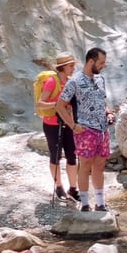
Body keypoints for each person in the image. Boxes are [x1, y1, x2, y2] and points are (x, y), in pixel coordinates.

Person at [55, 47, 116, 212]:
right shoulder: (74, 81)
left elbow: (102, 101)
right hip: (85, 130)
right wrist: (73, 126)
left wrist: (108, 113)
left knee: (99, 165)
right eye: (101, 62)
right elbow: (59, 106)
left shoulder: (100, 79)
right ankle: (85, 203)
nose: (103, 65)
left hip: (103, 130)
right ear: (91, 61)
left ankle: (100, 203)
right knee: (85, 165)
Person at [37, 53, 80, 202]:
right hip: (52, 125)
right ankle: (59, 186)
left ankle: (73, 189)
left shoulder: (70, 82)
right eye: (71, 66)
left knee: (72, 156)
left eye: (73, 65)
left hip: (67, 123)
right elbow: (40, 103)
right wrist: (56, 105)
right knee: (55, 155)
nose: (73, 68)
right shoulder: (51, 81)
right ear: (62, 67)